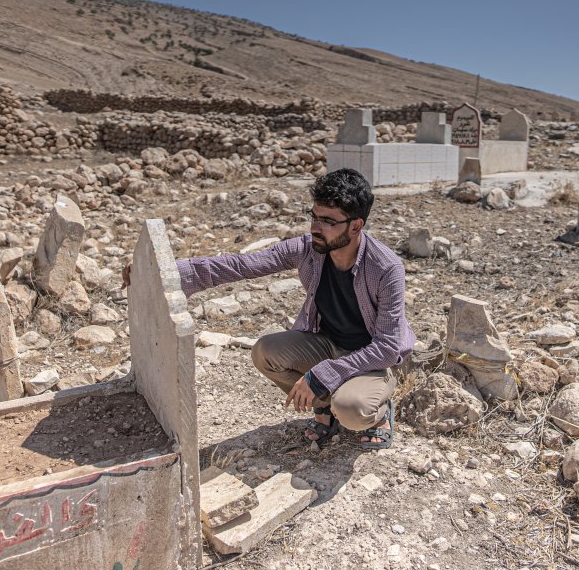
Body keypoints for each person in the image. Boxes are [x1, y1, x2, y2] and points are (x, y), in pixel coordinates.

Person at [123, 168, 415, 449]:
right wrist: (164, 272)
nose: (315, 227)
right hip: (326, 345)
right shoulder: (308, 248)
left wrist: (326, 373)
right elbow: (242, 265)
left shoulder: (385, 268)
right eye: (313, 216)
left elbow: (388, 347)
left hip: (369, 360)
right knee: (266, 352)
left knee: (352, 409)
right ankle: (324, 405)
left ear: (356, 226)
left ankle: (379, 412)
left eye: (327, 221)